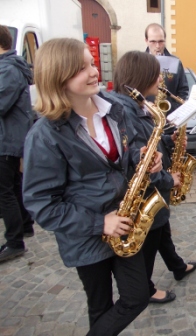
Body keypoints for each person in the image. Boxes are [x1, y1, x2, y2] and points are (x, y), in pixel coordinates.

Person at [22, 38, 164, 335]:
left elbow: (121, 162)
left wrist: (144, 163)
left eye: (91, 63)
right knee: (99, 306)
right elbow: (42, 204)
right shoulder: (44, 135)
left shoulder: (114, 110)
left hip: (125, 222)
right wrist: (100, 222)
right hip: (85, 235)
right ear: (57, 77)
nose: (93, 72)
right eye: (80, 69)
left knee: (137, 297)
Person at [110, 51, 196, 303]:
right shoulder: (128, 113)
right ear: (140, 78)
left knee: (162, 229)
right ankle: (146, 289)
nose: (161, 77)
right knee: (152, 238)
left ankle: (177, 266)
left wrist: (168, 141)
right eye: (156, 73)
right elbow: (143, 166)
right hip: (150, 191)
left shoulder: (136, 106)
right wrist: (171, 181)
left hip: (154, 191)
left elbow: (149, 145)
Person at [0, 25, 35, 263]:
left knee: (4, 193)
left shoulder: (7, 69)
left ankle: (14, 241)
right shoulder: (10, 67)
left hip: (6, 140)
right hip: (8, 138)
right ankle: (24, 226)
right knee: (11, 188)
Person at [144, 23, 189, 116]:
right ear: (146, 40)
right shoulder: (139, 63)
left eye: (161, 41)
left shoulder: (175, 62)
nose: (157, 46)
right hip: (146, 118)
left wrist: (174, 110)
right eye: (153, 41)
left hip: (170, 117)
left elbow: (183, 90)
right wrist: (146, 106)